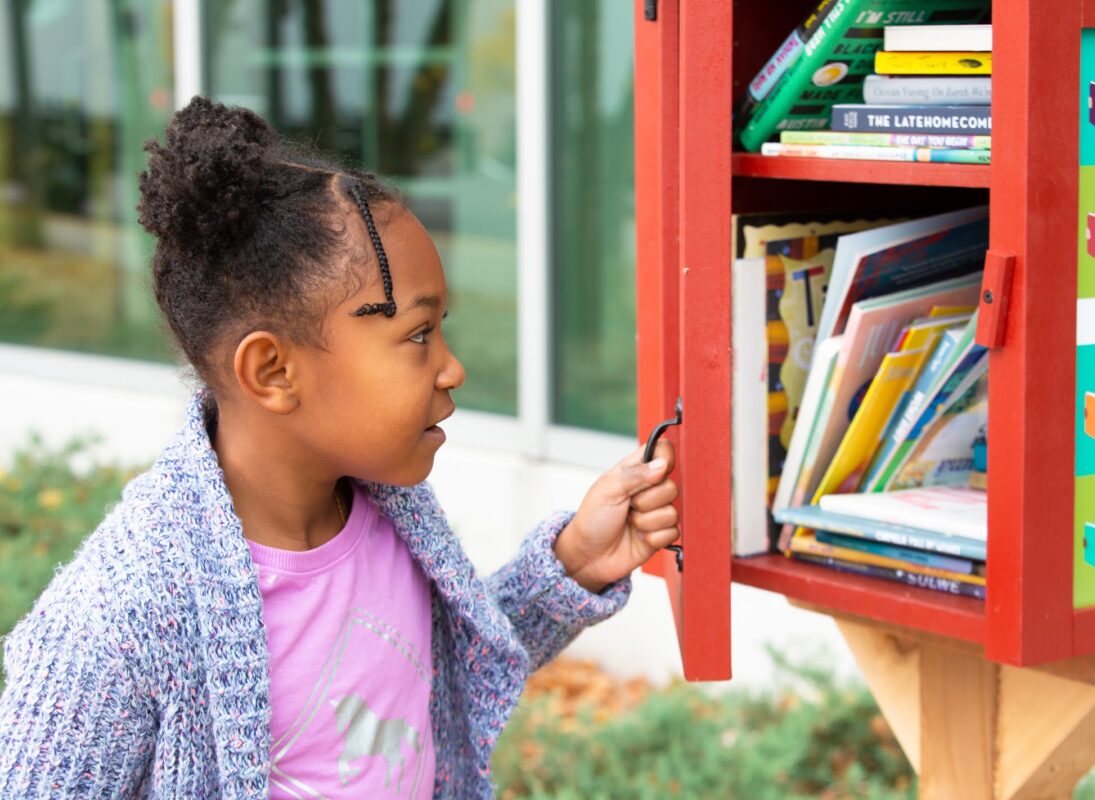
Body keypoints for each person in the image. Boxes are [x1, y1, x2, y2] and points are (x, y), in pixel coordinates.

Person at [0, 98, 680, 798]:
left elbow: (434, 675)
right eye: (418, 335)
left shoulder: (388, 512)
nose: (453, 369)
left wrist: (573, 565)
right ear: (273, 372)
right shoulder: (122, 616)